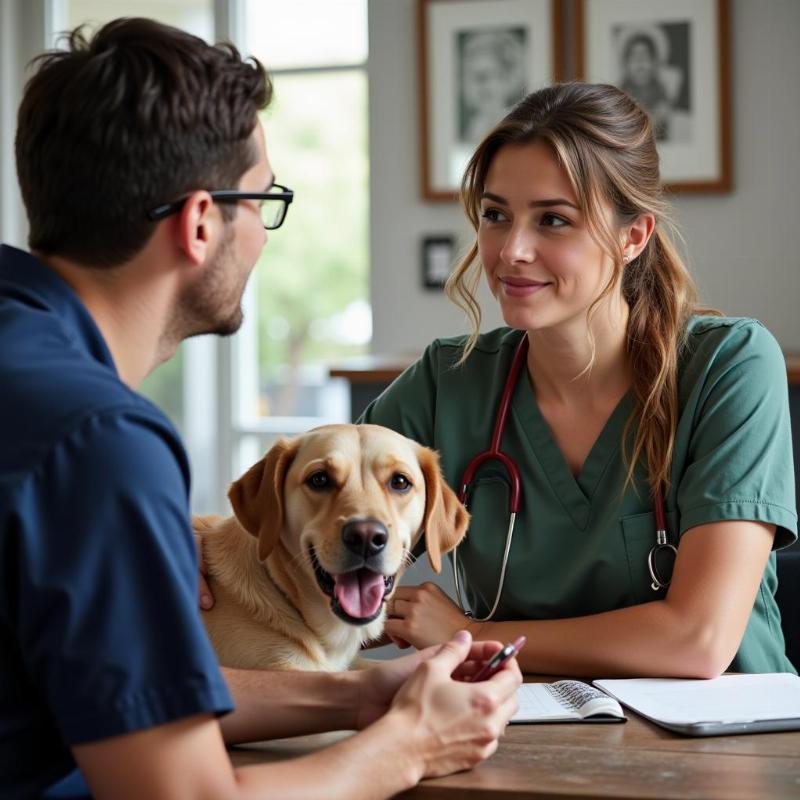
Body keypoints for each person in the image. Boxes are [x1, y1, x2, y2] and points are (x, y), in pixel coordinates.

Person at [0, 18, 521, 800]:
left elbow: (116, 699)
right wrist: (409, 746)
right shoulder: (98, 438)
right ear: (202, 222)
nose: (266, 235)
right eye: (264, 200)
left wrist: (362, 693)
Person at [359, 82, 798, 678]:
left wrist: (475, 634)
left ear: (632, 237)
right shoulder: (448, 381)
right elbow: (310, 520)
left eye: (553, 220)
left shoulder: (730, 366)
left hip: (722, 749)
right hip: (517, 734)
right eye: (495, 215)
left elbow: (698, 640)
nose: (512, 250)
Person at [619, 31, 672, 140]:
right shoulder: (619, 95)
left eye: (645, 55)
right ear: (626, 63)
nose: (640, 61)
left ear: (654, 62)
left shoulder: (661, 93)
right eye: (634, 56)